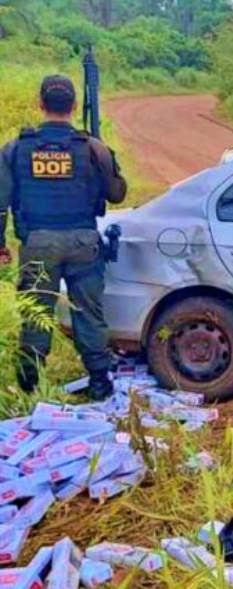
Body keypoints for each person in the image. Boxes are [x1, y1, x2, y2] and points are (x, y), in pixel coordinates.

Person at [0, 75, 127, 399]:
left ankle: (28, 385)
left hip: (38, 243)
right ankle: (99, 380)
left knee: (36, 313)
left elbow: (1, 201)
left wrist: (1, 245)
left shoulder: (16, 148)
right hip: (83, 242)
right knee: (88, 311)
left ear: (41, 104)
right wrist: (106, 161)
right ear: (72, 107)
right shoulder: (92, 148)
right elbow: (117, 195)